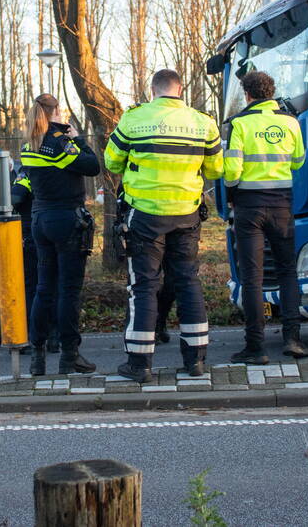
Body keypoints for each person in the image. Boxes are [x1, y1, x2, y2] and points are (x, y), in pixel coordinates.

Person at [105, 69, 223, 383]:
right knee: (187, 282)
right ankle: (195, 361)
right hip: (186, 214)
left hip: (144, 215)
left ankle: (140, 365)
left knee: (143, 286)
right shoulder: (203, 122)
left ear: (153, 90)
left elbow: (112, 162)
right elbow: (216, 167)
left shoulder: (134, 119)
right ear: (180, 89)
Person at [223, 71, 308, 363]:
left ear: (247, 95)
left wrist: (232, 186)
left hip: (249, 207)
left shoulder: (240, 124)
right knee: (288, 271)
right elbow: (299, 160)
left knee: (252, 277)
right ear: (271, 92)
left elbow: (232, 173)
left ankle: (255, 347)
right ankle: (293, 340)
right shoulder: (290, 122)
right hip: (282, 205)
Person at [20, 93, 100, 376]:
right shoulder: (60, 143)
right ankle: (70, 355)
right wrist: (78, 138)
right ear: (57, 112)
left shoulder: (30, 143)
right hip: (66, 220)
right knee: (68, 291)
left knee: (44, 289)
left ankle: (37, 357)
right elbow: (93, 166)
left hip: (39, 220)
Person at [11, 167, 59, 353]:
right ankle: (54, 337)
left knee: (32, 287)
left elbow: (15, 198)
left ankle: (33, 337)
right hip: (54, 232)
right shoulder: (56, 170)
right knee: (54, 286)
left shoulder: (27, 174)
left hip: (31, 235)